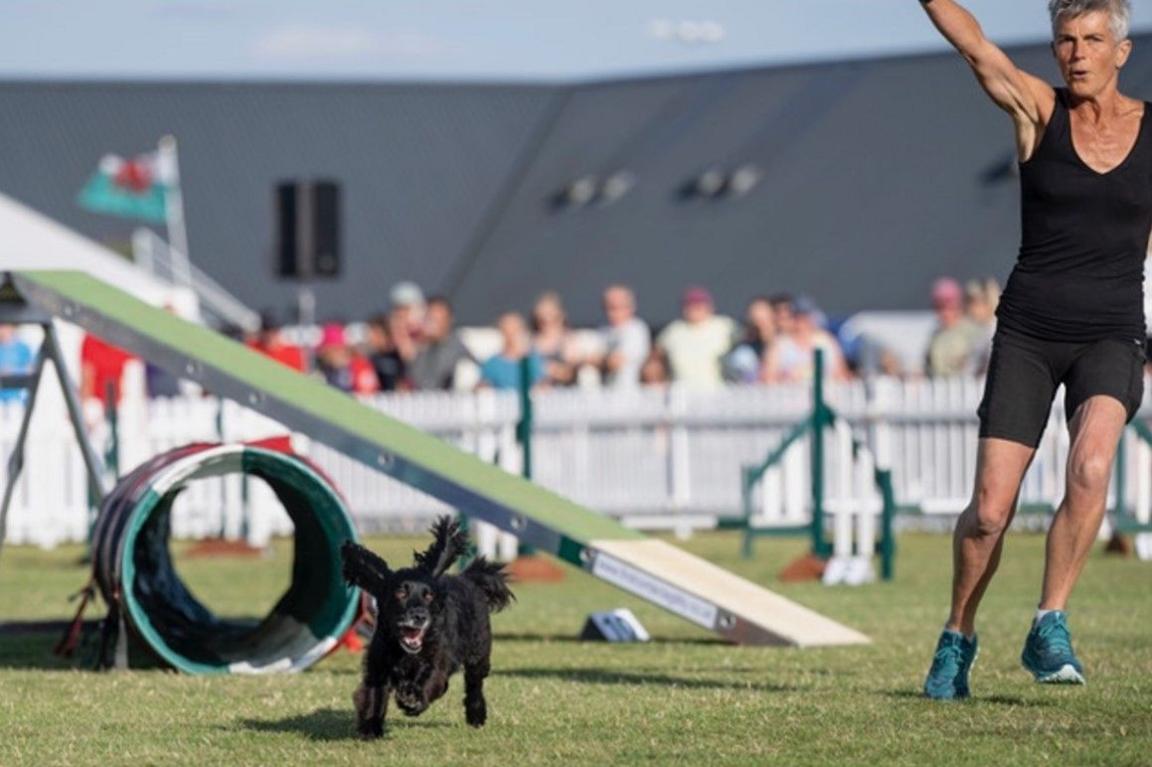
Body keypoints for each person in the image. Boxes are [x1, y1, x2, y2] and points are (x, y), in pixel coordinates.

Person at [919, 0, 1150, 699]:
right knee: (989, 509)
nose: (1077, 52)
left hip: (1111, 331)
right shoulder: (1037, 112)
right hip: (1028, 330)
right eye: (1065, 40)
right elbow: (976, 47)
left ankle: (1050, 620)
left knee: (1092, 462)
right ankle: (958, 632)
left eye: (1092, 39)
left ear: (1122, 50)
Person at [654, 287, 738, 390]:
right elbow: (657, 355)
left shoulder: (723, 325)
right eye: (690, 306)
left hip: (716, 391)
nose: (694, 310)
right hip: (683, 394)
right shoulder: (674, 331)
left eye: (699, 306)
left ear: (709, 307)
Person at [762, 296, 848, 383]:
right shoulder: (780, 344)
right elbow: (768, 377)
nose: (802, 322)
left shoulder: (826, 341)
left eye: (805, 317)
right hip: (789, 394)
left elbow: (841, 374)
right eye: (797, 317)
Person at [589, 284, 651, 388]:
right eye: (607, 307)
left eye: (617, 307)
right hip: (603, 396)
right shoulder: (602, 330)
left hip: (627, 395)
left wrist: (594, 360)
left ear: (631, 307)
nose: (611, 313)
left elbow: (615, 362)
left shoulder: (636, 329)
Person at [409, 297, 473, 391]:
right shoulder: (423, 350)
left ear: (449, 319)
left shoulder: (458, 350)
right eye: (429, 319)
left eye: (437, 319)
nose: (432, 324)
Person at [924, 277, 981, 377]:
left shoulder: (973, 331)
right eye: (939, 307)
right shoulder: (936, 335)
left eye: (948, 306)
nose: (944, 312)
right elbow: (929, 366)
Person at [479, 312, 546, 391]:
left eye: (516, 330)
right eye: (508, 331)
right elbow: (483, 386)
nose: (512, 335)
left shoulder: (533, 359)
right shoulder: (492, 363)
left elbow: (542, 384)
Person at [530, 291, 579, 387]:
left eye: (550, 316)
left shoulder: (568, 341)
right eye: (541, 319)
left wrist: (551, 370)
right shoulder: (530, 342)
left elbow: (571, 372)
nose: (546, 321)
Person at [316, 323, 378, 395]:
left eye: (339, 349)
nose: (339, 354)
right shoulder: (319, 374)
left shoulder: (360, 368)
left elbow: (368, 396)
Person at [725, 296, 777, 384]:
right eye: (756, 321)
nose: (760, 327)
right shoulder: (743, 353)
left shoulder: (786, 343)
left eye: (764, 321)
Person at [363, 314, 408, 392]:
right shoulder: (371, 359)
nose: (372, 338)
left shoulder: (398, 356)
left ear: (385, 334)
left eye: (376, 334)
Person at [0, 324, 33, 403]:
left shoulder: (23, 347)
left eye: (3, 326)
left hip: (16, 398)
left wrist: (12, 371)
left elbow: (30, 369)